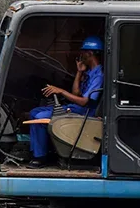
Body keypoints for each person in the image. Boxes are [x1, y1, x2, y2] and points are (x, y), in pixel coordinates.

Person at [25, 37, 104, 167]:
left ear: (89, 53)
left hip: (84, 111)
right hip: (74, 107)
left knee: (39, 119)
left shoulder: (99, 75)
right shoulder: (89, 72)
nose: (81, 55)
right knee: (34, 112)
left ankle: (40, 157)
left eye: (83, 52)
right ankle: (39, 151)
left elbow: (84, 102)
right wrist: (79, 72)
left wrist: (60, 91)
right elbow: (75, 94)